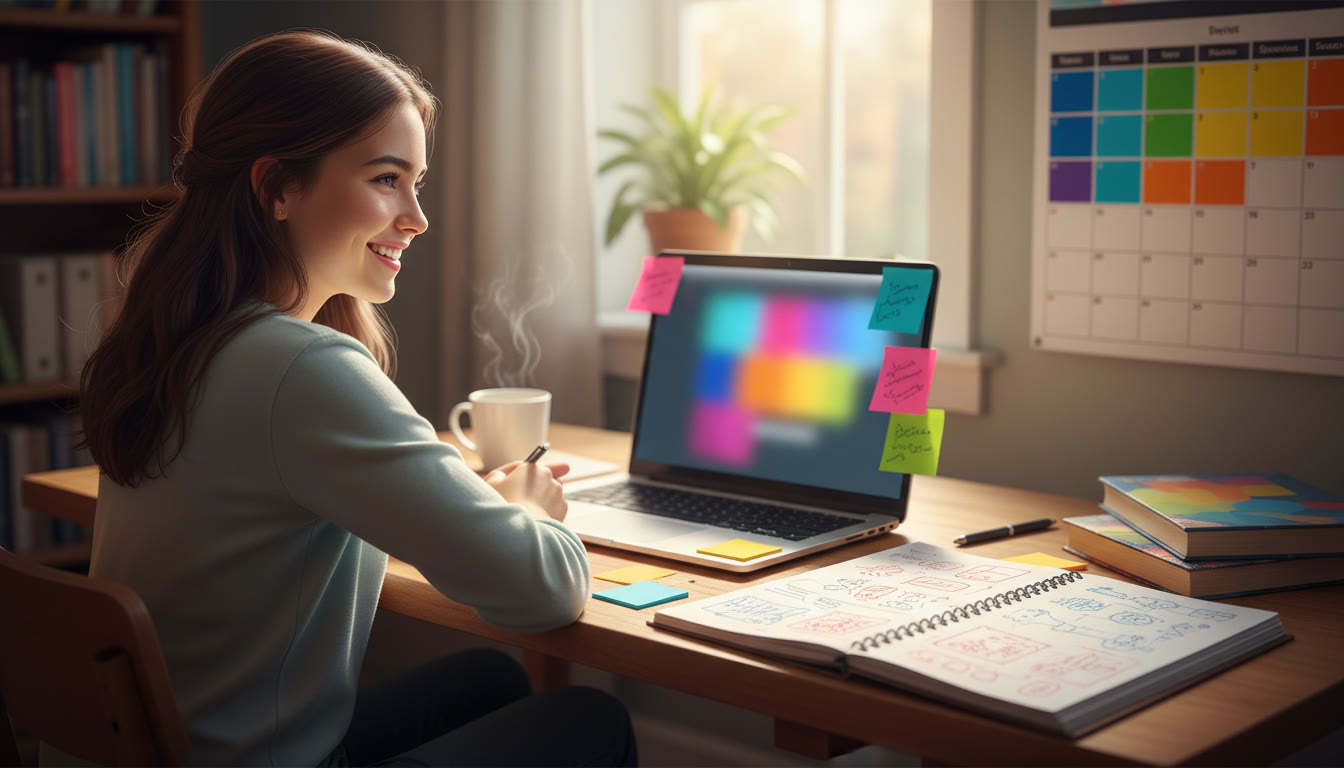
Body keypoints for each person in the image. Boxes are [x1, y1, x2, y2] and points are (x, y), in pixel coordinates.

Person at [71, 29, 636, 768]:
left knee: (492, 679)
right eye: (385, 179)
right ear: (276, 187)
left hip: (162, 749)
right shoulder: (298, 368)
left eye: (418, 182)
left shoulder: (184, 338)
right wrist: (526, 508)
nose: (417, 217)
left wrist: (462, 498)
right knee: (585, 722)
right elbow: (543, 591)